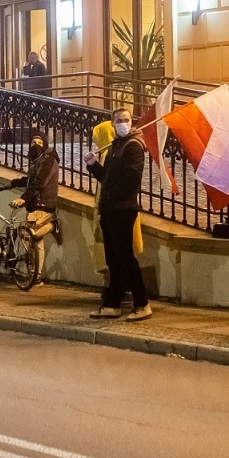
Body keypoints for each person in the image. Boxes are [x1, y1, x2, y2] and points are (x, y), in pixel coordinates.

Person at [86, 107, 150, 321]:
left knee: (125, 258)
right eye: (119, 120)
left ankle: (142, 303)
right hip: (110, 209)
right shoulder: (116, 146)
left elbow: (131, 180)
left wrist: (111, 197)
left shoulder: (133, 146)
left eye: (126, 120)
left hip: (123, 209)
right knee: (113, 259)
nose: (123, 123)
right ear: (113, 125)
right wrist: (93, 166)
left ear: (131, 122)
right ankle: (112, 304)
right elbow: (107, 178)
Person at [9, 133, 60, 287]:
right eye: (33, 142)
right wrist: (13, 183)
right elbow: (30, 180)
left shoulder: (49, 160)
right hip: (35, 204)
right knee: (36, 240)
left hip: (42, 204)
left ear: (44, 145)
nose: (35, 145)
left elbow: (40, 182)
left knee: (28, 234)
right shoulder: (37, 161)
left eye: (39, 142)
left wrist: (23, 198)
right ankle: (35, 276)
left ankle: (52, 226)